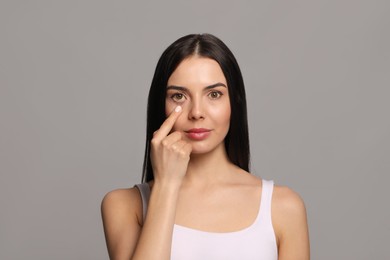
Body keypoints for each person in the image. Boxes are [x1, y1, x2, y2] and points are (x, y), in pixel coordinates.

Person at [101, 33, 310, 260]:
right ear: (160, 104)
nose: (197, 112)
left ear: (234, 102)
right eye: (179, 96)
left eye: (214, 94)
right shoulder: (124, 206)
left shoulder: (283, 208)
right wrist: (167, 185)